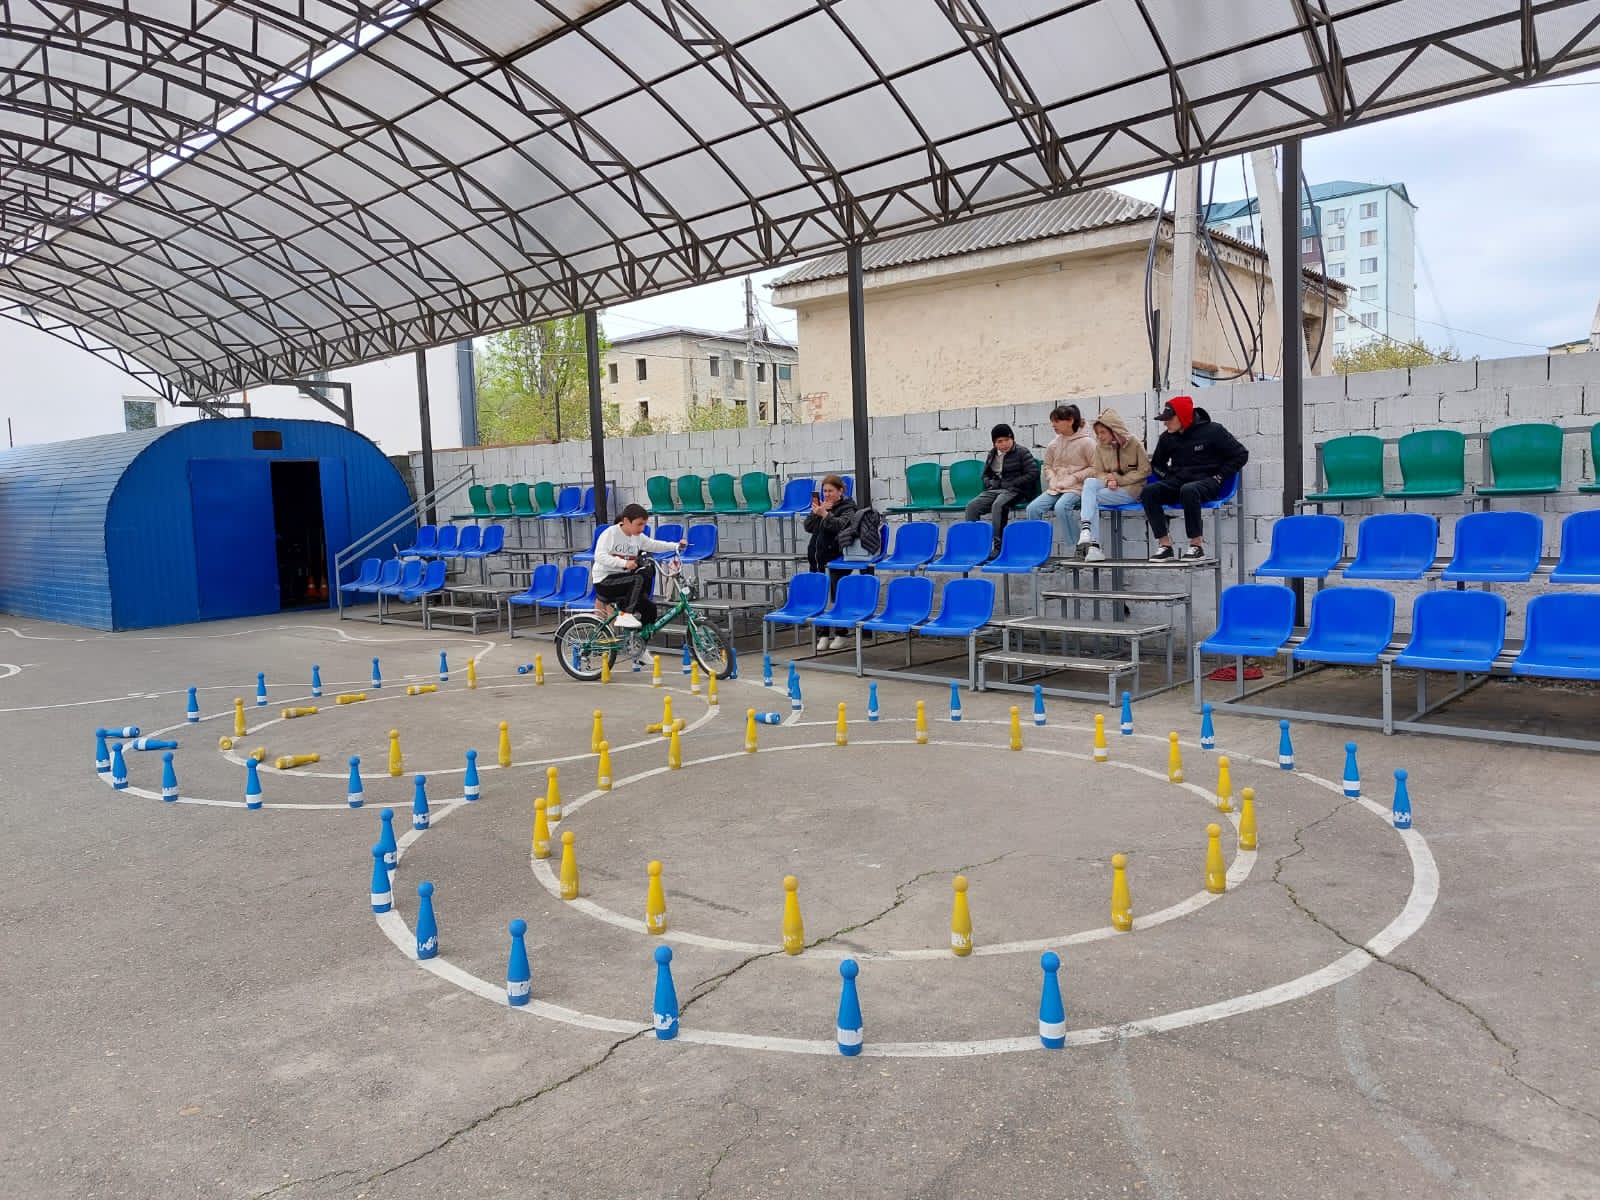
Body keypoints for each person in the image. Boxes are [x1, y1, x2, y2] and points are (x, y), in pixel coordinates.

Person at [1141, 395, 1248, 561]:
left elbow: (1240, 455)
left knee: (1189, 490)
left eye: (1169, 419)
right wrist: (1169, 477)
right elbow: (1156, 465)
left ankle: (1196, 546)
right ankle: (1165, 546)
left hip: (1208, 482)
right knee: (1149, 492)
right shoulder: (1167, 437)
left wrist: (1219, 477)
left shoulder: (1213, 431)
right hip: (1179, 483)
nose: (1165, 423)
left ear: (1182, 417)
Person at [591, 503, 687, 629]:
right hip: (604, 581)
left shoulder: (638, 537)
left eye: (644, 525)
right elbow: (599, 556)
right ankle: (625, 614)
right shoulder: (610, 534)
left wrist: (676, 546)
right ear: (626, 521)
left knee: (650, 609)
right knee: (637, 578)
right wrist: (624, 563)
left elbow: (654, 545)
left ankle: (639, 640)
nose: (642, 528)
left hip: (623, 581)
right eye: (639, 524)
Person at [1076, 408, 1151, 562]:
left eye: (1103, 432)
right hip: (1110, 487)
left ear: (1114, 430)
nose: (1099, 436)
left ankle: (1094, 545)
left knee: (1091, 499)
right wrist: (1108, 480)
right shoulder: (1100, 446)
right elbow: (1098, 472)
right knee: (1089, 483)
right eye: (1097, 433)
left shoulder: (1134, 443)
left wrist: (1118, 479)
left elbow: (1145, 471)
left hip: (1132, 489)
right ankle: (1086, 529)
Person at [803, 474, 868, 651]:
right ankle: (823, 634)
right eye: (824, 491)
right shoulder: (822, 506)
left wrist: (825, 514)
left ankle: (841, 633)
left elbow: (840, 526)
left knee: (837, 594)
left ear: (840, 491)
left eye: (830, 491)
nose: (827, 494)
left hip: (837, 558)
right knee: (819, 596)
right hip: (817, 558)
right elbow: (808, 527)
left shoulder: (849, 508)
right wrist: (816, 513)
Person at [1024, 404, 1097, 553]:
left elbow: (1095, 468)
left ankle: (1079, 548)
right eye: (1052, 421)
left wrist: (1074, 478)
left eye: (1057, 421)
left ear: (1070, 421)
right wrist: (1051, 479)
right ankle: (1037, 549)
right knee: (1032, 508)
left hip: (1078, 488)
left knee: (1062, 507)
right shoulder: (1054, 444)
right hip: (1056, 488)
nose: (1053, 425)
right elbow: (1047, 466)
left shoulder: (1088, 442)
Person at [964, 423, 1040, 551]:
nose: (1004, 444)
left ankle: (998, 548)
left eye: (1007, 440)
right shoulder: (992, 454)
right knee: (972, 506)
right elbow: (985, 475)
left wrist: (1013, 483)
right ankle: (974, 547)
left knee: (998, 505)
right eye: (1000, 441)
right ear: (994, 443)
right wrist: (990, 483)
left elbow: (1033, 473)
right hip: (996, 489)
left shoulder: (1022, 452)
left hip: (1017, 490)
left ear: (1012, 439)